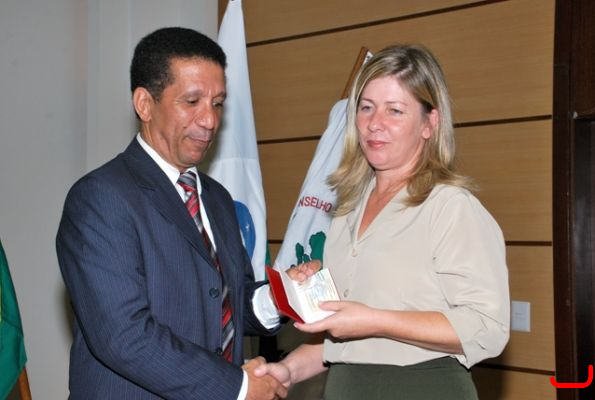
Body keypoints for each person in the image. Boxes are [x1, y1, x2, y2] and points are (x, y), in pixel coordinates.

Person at [255, 44, 510, 399]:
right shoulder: (347, 210)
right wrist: (288, 369)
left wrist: (374, 319)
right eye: (366, 107)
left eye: (395, 110)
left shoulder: (451, 207)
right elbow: (346, 343)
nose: (375, 123)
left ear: (429, 123)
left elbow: (487, 326)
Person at [56, 27, 288, 400]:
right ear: (144, 104)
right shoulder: (100, 198)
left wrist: (278, 298)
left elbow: (224, 302)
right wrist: (238, 387)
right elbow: (124, 336)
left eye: (217, 103)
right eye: (192, 101)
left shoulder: (217, 198)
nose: (210, 120)